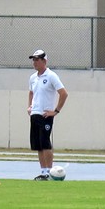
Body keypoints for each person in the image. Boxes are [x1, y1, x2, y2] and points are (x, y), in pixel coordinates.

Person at [27, 49, 68, 181]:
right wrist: (30, 106)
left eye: (37, 60)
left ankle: (50, 172)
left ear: (44, 61)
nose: (35, 62)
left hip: (46, 115)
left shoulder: (51, 76)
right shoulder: (33, 77)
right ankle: (43, 172)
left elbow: (63, 93)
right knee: (38, 145)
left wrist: (55, 111)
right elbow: (31, 93)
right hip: (35, 114)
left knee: (45, 143)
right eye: (33, 60)